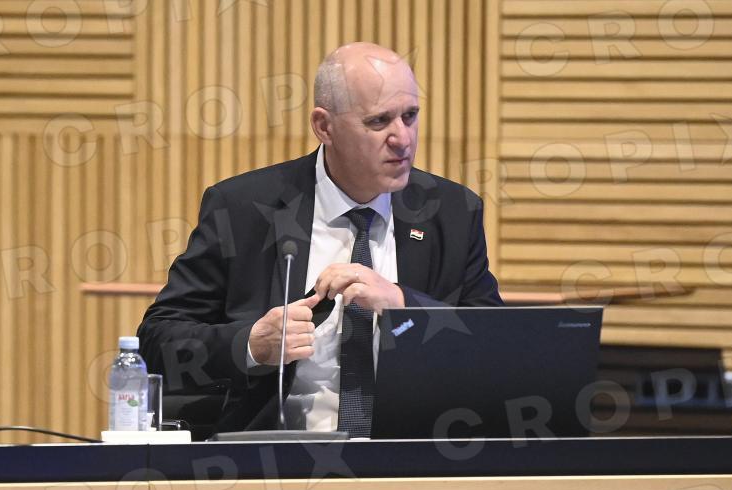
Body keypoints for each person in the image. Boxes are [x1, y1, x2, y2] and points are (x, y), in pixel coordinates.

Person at [137, 42, 502, 436]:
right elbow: (158, 340)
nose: (402, 138)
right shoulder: (243, 209)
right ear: (324, 126)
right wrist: (250, 344)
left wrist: (403, 305)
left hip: (410, 453)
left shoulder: (452, 212)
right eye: (378, 121)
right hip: (276, 454)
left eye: (410, 116)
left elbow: (496, 349)